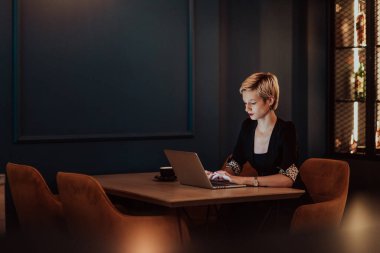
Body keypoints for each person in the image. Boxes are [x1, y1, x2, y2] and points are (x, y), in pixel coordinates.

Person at [210, 72, 301, 188]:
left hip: (287, 197)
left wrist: (241, 180)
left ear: (270, 101)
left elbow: (288, 178)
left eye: (252, 103)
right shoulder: (247, 126)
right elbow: (236, 162)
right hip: (262, 194)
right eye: (245, 103)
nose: (247, 108)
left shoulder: (287, 130)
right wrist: (220, 176)